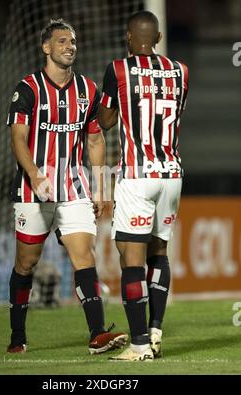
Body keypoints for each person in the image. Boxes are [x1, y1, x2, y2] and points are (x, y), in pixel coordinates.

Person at [6, 19, 127, 355]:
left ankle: (97, 333)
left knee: (84, 257)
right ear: (46, 47)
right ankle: (17, 336)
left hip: (74, 187)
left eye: (72, 42)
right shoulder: (28, 89)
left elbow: (96, 139)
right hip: (35, 190)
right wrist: (33, 174)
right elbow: (18, 138)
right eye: (61, 41)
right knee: (26, 264)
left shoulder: (88, 90)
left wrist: (102, 187)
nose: (69, 46)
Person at [99, 11, 189, 361]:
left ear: (127, 36)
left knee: (131, 260)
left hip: (138, 174)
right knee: (159, 253)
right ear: (159, 36)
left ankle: (138, 346)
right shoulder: (181, 71)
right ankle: (155, 331)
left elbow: (107, 121)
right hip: (171, 173)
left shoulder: (117, 70)